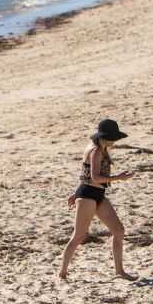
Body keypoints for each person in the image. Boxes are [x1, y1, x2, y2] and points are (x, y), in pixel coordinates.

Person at [59, 119, 134, 281]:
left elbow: (84, 174)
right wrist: (119, 177)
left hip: (96, 194)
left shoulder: (98, 148)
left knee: (118, 230)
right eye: (113, 137)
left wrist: (75, 192)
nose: (115, 141)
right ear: (104, 137)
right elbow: (95, 177)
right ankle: (62, 273)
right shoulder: (96, 151)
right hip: (88, 195)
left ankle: (119, 271)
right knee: (79, 235)